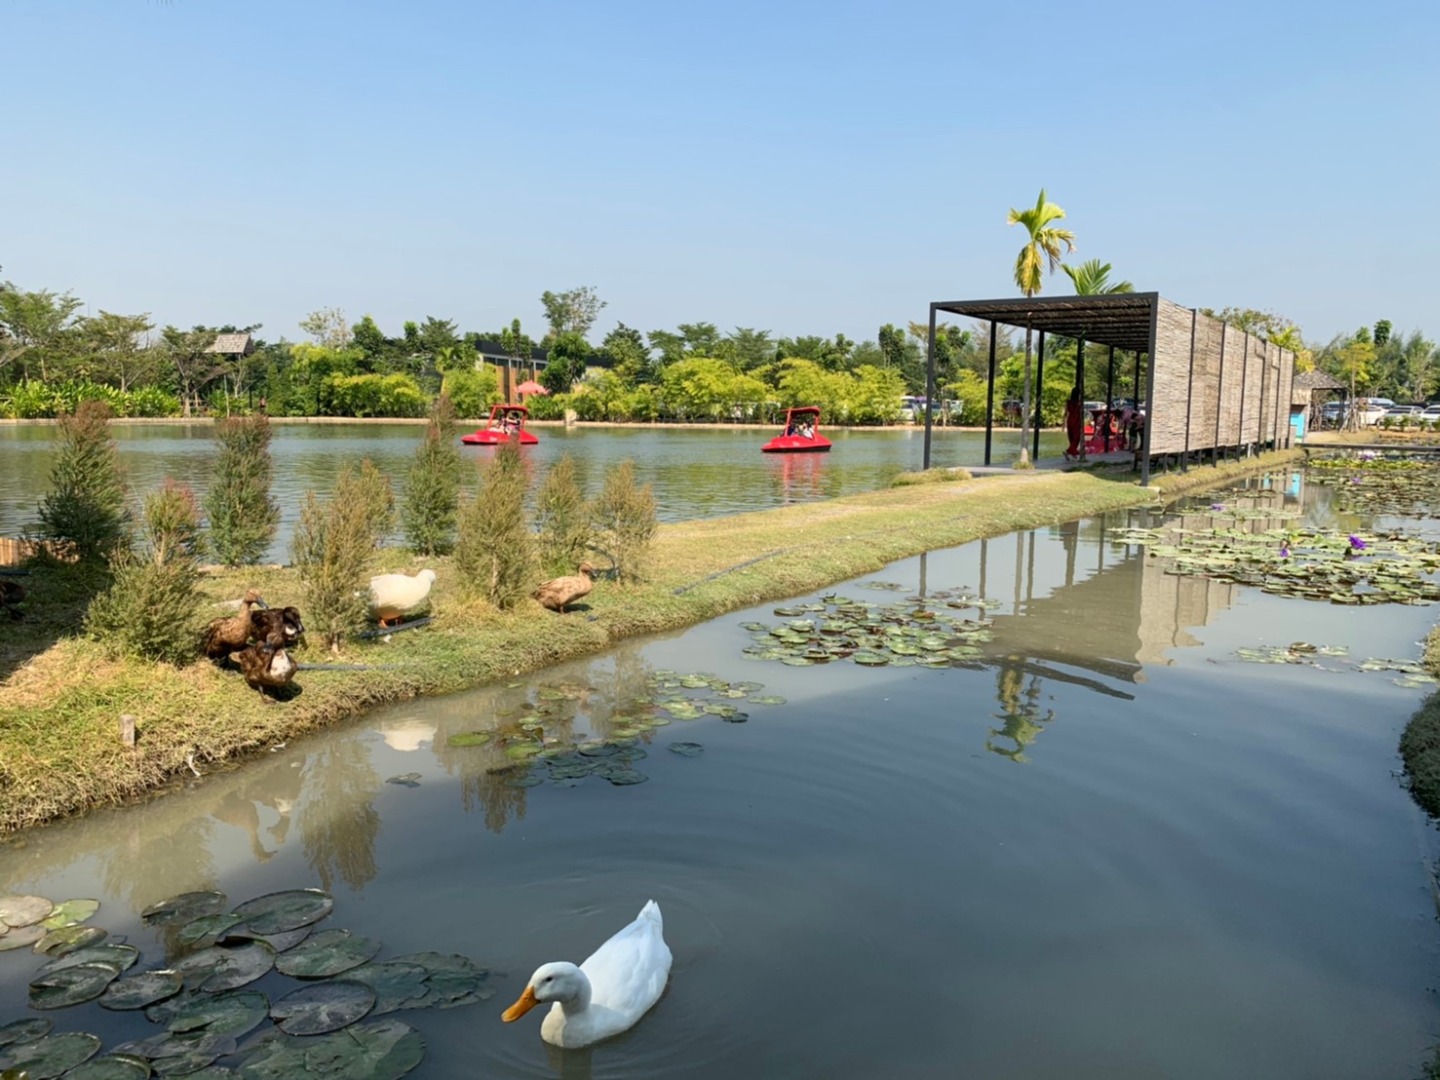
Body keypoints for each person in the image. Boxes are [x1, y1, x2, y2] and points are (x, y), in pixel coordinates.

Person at [1063, 386, 1084, 460]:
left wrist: (1063, 423)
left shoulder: (1068, 402)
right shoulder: (1079, 403)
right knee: (1076, 438)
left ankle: (1073, 453)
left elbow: (1065, 413)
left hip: (1070, 421)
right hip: (1076, 421)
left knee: (1071, 438)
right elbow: (1081, 413)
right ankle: (1068, 451)